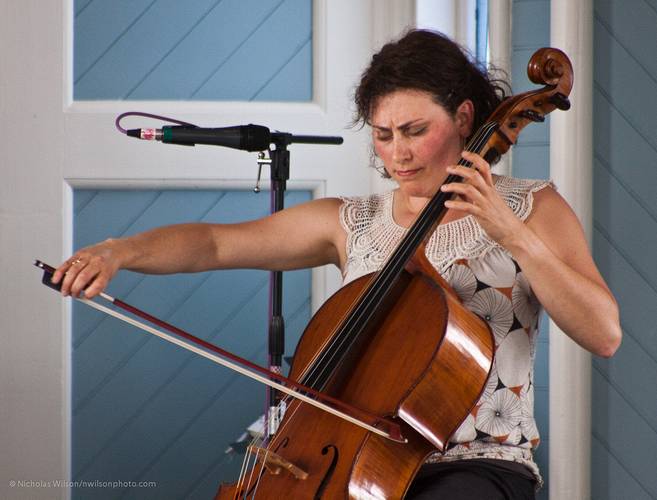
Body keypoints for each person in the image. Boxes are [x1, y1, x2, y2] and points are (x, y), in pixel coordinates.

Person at [52, 30, 621, 499]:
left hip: (476, 465)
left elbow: (604, 333)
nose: (398, 152)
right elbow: (214, 243)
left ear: (466, 117)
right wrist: (117, 251)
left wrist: (515, 237)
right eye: (383, 135)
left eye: (415, 131)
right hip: (352, 457)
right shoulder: (352, 221)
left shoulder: (530, 207)